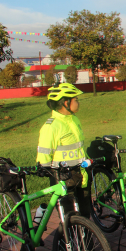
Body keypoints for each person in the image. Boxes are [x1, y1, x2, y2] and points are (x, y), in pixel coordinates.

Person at [37, 83, 91, 218]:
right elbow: (44, 153)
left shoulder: (74, 120)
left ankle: (86, 238)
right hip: (63, 178)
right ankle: (66, 239)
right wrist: (44, 168)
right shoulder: (52, 126)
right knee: (69, 217)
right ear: (66, 102)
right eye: (76, 100)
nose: (78, 102)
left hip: (80, 174)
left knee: (85, 214)